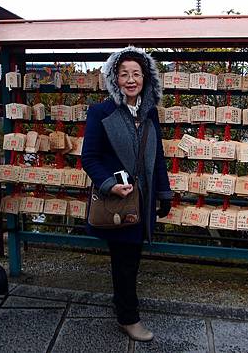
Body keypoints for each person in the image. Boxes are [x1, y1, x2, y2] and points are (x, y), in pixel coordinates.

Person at [81, 46, 172, 342]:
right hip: (118, 199)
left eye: (136, 73)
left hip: (142, 200)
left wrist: (163, 192)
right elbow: (90, 157)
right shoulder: (101, 112)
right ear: (114, 79)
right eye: (124, 74)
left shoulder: (149, 112)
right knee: (124, 259)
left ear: (146, 78)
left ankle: (124, 304)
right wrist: (109, 184)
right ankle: (128, 318)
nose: (131, 80)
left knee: (129, 259)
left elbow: (156, 154)